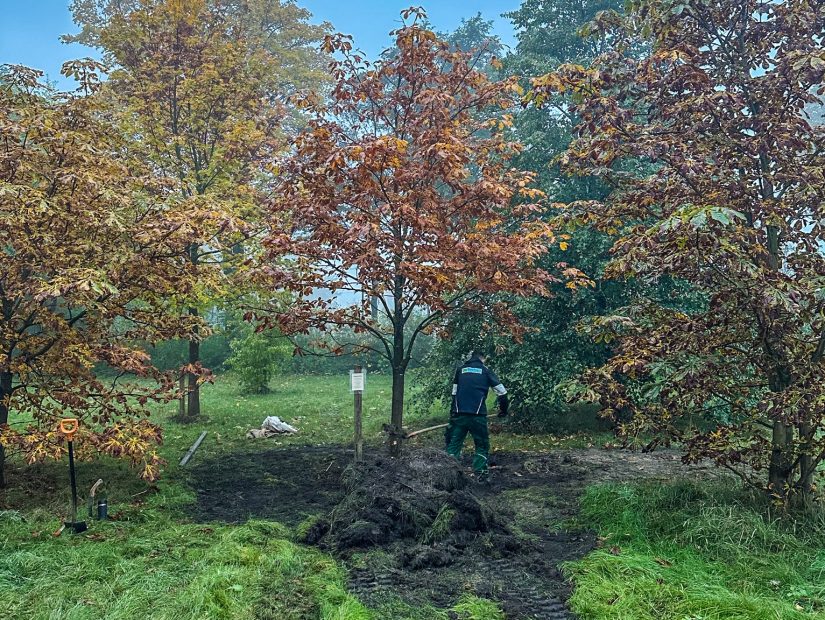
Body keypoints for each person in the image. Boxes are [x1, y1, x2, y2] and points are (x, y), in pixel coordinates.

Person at [445, 349, 508, 481]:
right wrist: (503, 410)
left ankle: (448, 474)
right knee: (482, 444)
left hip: (459, 414)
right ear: (482, 358)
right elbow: (502, 392)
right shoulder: (485, 371)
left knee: (454, 443)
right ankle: (480, 475)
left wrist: (453, 414)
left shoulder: (460, 370)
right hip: (477, 416)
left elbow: (454, 393)